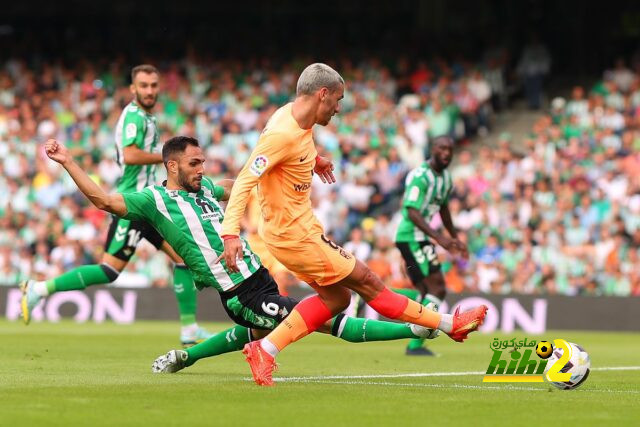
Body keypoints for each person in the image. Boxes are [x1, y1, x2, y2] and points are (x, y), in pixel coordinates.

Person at [41, 136, 439, 374]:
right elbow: (104, 200)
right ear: (172, 165)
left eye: (204, 162)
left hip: (260, 277)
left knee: (257, 332)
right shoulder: (154, 200)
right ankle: (417, 328)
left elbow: (245, 184)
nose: (202, 169)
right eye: (195, 164)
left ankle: (187, 357)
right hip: (239, 293)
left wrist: (292, 166)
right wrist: (68, 162)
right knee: (326, 320)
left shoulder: (206, 189)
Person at [219, 63, 488, 386]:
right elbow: (247, 178)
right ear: (322, 94)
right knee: (368, 282)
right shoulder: (281, 134)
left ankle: (266, 348)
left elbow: (295, 146)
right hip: (296, 237)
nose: (338, 108)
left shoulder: (292, 117)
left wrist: (313, 160)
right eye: (338, 99)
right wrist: (230, 232)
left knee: (338, 300)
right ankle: (448, 324)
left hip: (293, 232)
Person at [20, 65, 211, 347]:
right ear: (133, 89)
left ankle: (189, 329)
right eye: (144, 85)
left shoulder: (148, 117)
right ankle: (39, 288)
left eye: (154, 85)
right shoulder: (134, 116)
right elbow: (131, 155)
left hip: (151, 203)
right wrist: (168, 159)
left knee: (183, 259)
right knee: (110, 270)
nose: (149, 90)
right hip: (133, 204)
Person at [395, 135, 467, 356]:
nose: (446, 153)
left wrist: (454, 237)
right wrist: (440, 238)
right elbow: (411, 211)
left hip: (420, 237)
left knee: (425, 292)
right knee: (437, 288)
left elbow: (443, 209)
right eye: (442, 148)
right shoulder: (420, 176)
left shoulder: (445, 178)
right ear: (432, 149)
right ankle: (415, 344)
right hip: (411, 236)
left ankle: (373, 294)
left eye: (450, 149)